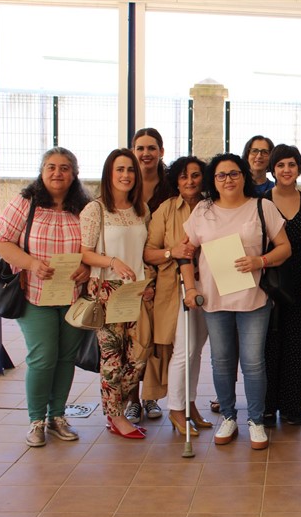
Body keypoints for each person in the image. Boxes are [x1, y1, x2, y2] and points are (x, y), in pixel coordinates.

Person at [181, 153, 290, 450]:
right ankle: (228, 416)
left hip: (253, 299)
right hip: (214, 299)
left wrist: (260, 261)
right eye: (221, 175)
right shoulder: (202, 210)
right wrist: (190, 288)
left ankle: (255, 420)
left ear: (243, 176)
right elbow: (185, 253)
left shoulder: (262, 207)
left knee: (253, 363)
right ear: (213, 180)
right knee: (221, 362)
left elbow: (285, 248)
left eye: (233, 173)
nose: (227, 179)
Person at [0, 147, 91, 447]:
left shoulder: (85, 208)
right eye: (51, 167)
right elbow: (0, 241)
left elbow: (95, 247)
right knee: (43, 357)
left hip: (73, 296)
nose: (57, 173)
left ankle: (57, 416)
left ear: (74, 174)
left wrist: (87, 267)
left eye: (64, 168)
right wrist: (31, 263)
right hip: (33, 294)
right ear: (42, 171)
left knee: (66, 358)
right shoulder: (26, 203)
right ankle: (36, 420)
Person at [81, 148, 155, 439]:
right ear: (109, 174)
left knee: (137, 356)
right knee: (113, 358)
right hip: (108, 290)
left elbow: (143, 251)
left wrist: (147, 281)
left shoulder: (141, 209)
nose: (126, 175)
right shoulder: (95, 209)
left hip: (136, 290)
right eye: (120, 169)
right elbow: (85, 253)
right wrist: (112, 261)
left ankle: (117, 408)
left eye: (130, 170)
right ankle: (116, 416)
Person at [143, 156, 212, 436]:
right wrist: (173, 252)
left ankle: (190, 404)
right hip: (176, 289)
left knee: (196, 349)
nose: (190, 181)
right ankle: (175, 410)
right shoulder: (166, 209)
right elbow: (148, 252)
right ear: (176, 181)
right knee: (184, 349)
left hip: (209, 287)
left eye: (195, 175)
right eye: (184, 176)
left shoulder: (212, 206)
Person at [262, 145, 301, 426]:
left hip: (298, 283)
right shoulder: (261, 202)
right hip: (267, 283)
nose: (286, 170)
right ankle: (265, 407)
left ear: (299, 168)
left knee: (296, 345)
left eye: (291, 164)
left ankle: (291, 408)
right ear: (272, 170)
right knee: (267, 345)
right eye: (280, 165)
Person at [128, 127, 174, 423]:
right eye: (140, 148)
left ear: (161, 152)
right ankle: (131, 399)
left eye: (151, 148)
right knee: (133, 340)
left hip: (165, 272)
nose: (146, 153)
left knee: (158, 339)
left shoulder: (171, 187)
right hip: (129, 273)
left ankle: (151, 396)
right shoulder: (124, 184)